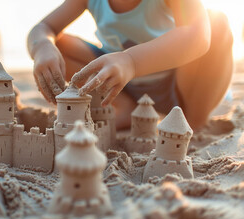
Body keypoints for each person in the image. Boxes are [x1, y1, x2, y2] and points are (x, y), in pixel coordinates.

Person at [27, 0, 233, 130]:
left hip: (182, 85)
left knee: (217, 25)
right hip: (120, 85)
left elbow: (199, 36)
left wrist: (131, 61)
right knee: (58, 44)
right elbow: (44, 27)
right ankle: (125, 107)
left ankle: (194, 121)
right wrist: (43, 46)